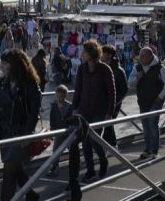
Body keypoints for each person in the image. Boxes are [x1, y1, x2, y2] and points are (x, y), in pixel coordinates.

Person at [0, 49, 41, 201]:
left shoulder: (30, 84)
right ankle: (32, 195)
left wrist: (27, 135)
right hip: (4, 133)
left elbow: (34, 113)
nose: (2, 66)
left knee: (9, 171)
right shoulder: (1, 83)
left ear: (14, 65)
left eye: (5, 64)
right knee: (16, 169)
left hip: (20, 135)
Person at [72, 40, 115, 182]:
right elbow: (78, 90)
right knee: (85, 142)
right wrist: (74, 108)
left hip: (100, 110)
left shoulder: (105, 69)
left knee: (94, 138)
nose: (81, 54)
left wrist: (110, 112)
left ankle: (103, 160)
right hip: (84, 110)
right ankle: (90, 171)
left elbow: (111, 92)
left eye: (84, 51)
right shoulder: (81, 69)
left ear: (91, 54)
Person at [127, 47, 165, 159]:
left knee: (152, 124)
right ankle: (148, 149)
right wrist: (137, 78)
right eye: (140, 56)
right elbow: (130, 84)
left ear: (150, 56)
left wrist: (160, 96)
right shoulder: (137, 68)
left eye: (143, 56)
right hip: (143, 101)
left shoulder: (160, 68)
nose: (140, 58)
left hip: (155, 100)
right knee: (145, 125)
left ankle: (154, 150)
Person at [100, 44, 128, 146]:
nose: (103, 56)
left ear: (111, 55)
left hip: (114, 102)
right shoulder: (101, 68)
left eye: (106, 54)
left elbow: (125, 89)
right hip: (103, 102)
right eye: (103, 53)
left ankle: (105, 146)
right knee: (108, 124)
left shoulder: (119, 70)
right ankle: (113, 144)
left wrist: (116, 102)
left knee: (108, 123)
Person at [47, 85, 72, 177]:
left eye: (61, 96)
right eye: (57, 96)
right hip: (59, 132)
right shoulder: (54, 107)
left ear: (65, 96)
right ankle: (54, 168)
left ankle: (74, 164)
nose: (59, 98)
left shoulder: (70, 106)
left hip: (69, 132)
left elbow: (72, 119)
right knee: (56, 151)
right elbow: (52, 120)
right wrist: (52, 132)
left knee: (73, 150)